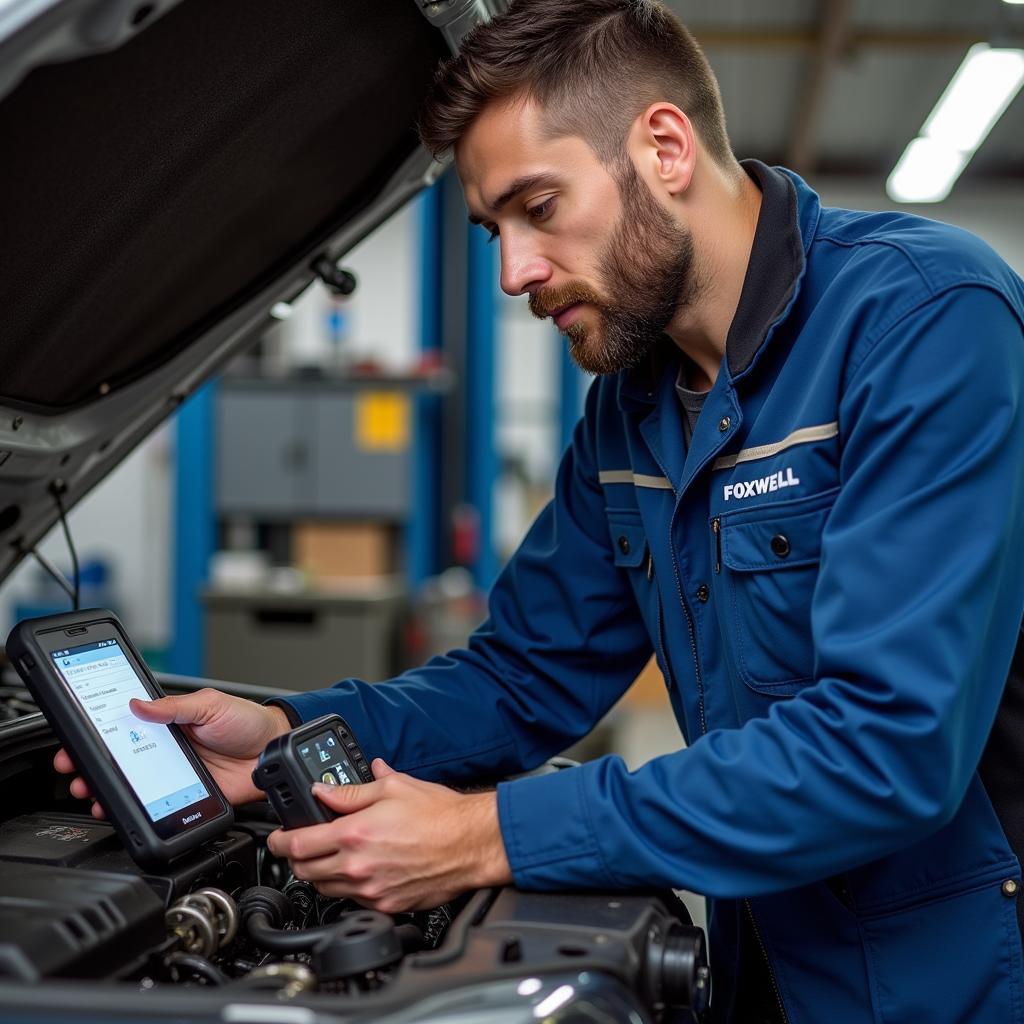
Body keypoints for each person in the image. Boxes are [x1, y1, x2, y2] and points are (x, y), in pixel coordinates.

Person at [57, 1, 1024, 1020]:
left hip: (945, 976)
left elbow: (885, 746)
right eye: (493, 231)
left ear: (663, 146)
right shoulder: (631, 410)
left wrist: (486, 834)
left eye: (539, 206)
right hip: (760, 955)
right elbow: (521, 678)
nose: (515, 270)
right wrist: (291, 730)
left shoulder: (924, 322)